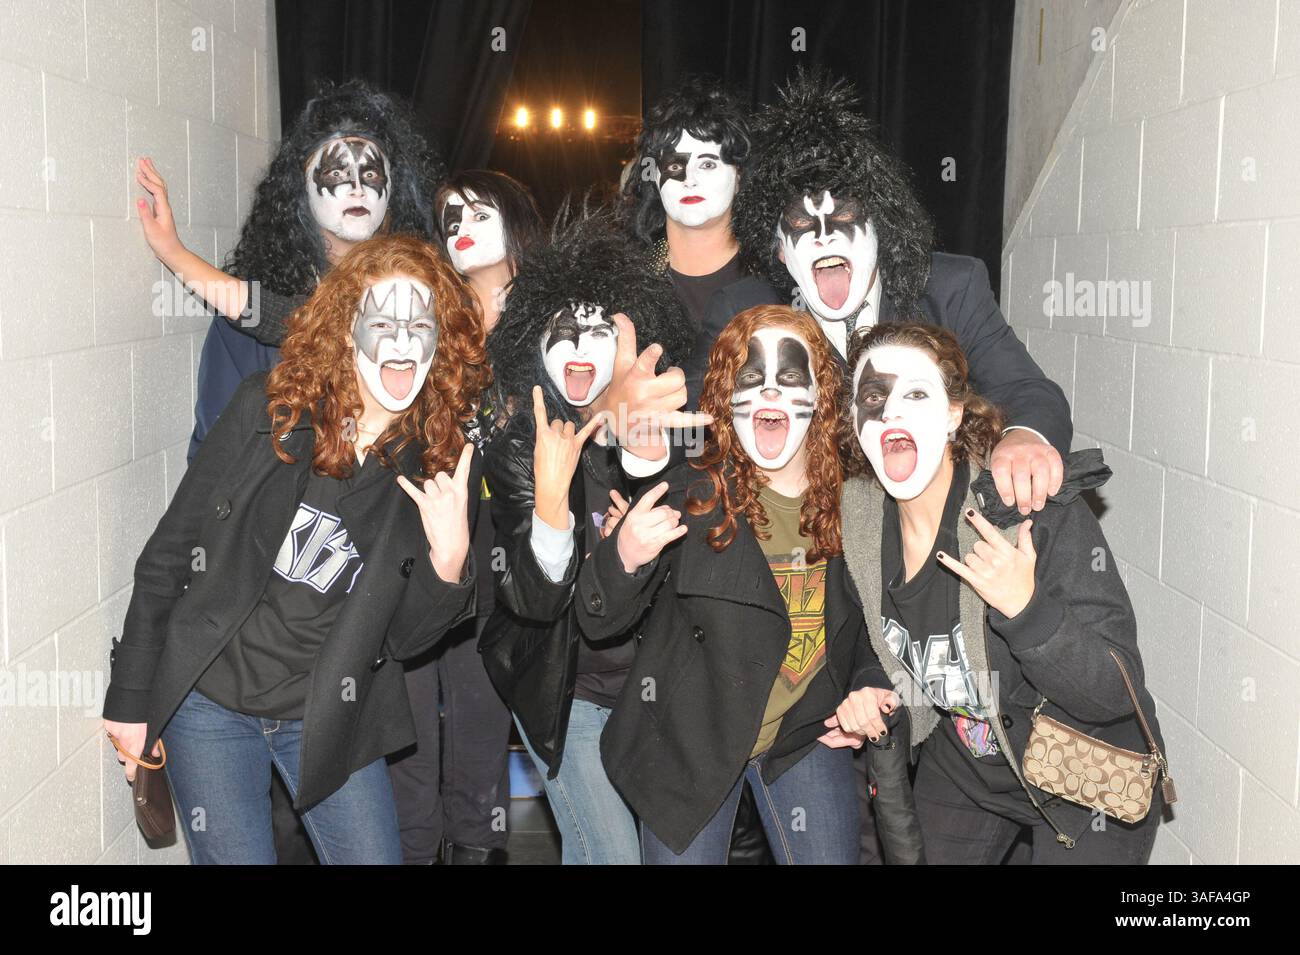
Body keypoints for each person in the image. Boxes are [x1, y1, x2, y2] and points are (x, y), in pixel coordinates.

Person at [101, 234, 488, 864]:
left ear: (439, 343)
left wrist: (449, 559)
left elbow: (406, 643)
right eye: (381, 321)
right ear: (345, 330)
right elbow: (170, 554)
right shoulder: (270, 409)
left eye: (419, 323)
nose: (400, 340)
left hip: (329, 715)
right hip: (211, 706)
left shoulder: (436, 466)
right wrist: (129, 697)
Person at [574, 304, 900, 863]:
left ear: (821, 394)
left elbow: (875, 615)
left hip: (801, 734)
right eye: (751, 377)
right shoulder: (692, 485)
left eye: (791, 377)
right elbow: (599, 617)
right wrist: (623, 554)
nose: (771, 392)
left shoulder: (859, 499)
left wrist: (864, 683)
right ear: (726, 396)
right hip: (691, 737)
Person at [839, 321, 1168, 863]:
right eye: (873, 397)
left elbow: (1116, 691)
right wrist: (871, 684)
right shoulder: (860, 518)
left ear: (952, 415)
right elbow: (880, 637)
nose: (891, 411)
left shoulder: (1028, 510)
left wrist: (1026, 611)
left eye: (915, 394)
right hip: (968, 768)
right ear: (855, 420)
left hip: (1087, 776)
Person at [707, 67, 1070, 521]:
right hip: (807, 538)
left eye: (845, 216)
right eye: (801, 225)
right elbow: (691, 417)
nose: (824, 237)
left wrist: (1023, 437)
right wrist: (632, 417)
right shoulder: (745, 311)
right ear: (779, 250)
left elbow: (1028, 389)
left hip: (928, 528)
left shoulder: (951, 289)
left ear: (881, 226)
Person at [479, 209, 694, 864]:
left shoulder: (670, 424)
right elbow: (537, 603)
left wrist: (638, 437)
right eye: (561, 331)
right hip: (562, 688)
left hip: (652, 690)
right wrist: (550, 498)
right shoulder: (520, 441)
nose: (579, 346)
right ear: (534, 344)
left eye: (598, 331)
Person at [133, 79, 444, 460]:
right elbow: (216, 456)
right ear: (302, 185)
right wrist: (172, 250)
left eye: (372, 174)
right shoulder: (244, 329)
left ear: (394, 186)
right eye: (336, 173)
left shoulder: (425, 302)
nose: (357, 188)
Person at [384, 170, 545, 864]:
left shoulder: (554, 321)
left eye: (479, 211)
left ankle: (473, 850)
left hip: (504, 563)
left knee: (481, 738)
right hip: (418, 553)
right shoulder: (428, 317)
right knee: (409, 734)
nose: (461, 225)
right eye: (449, 217)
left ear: (516, 219)